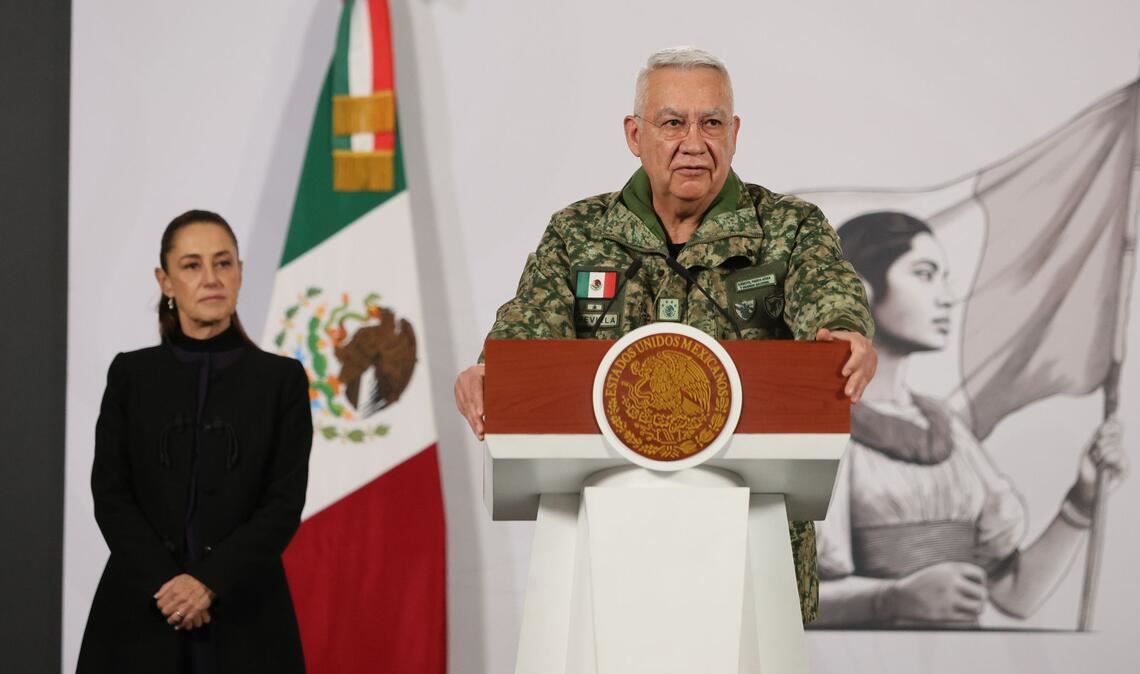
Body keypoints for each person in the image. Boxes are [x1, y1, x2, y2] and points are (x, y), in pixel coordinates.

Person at [453, 47, 877, 624]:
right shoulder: (579, 233)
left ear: (735, 133)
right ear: (634, 134)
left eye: (711, 123)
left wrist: (845, 334)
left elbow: (828, 298)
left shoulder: (788, 227)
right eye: (672, 122)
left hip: (752, 556)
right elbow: (528, 330)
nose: (694, 142)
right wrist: (491, 373)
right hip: (606, 550)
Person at [813, 211, 1128, 627]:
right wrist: (890, 599)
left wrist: (1083, 500)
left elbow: (1015, 596)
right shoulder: (822, 426)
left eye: (944, 277)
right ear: (860, 292)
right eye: (924, 274)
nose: (946, 296)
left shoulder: (946, 427)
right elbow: (784, 597)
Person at [77, 210, 312, 673]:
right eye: (192, 265)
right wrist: (168, 585)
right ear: (164, 280)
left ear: (241, 273)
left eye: (223, 263)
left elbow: (283, 504)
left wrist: (207, 582)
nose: (211, 278)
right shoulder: (131, 375)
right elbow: (111, 494)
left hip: (247, 614)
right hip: (139, 611)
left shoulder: (280, 380)